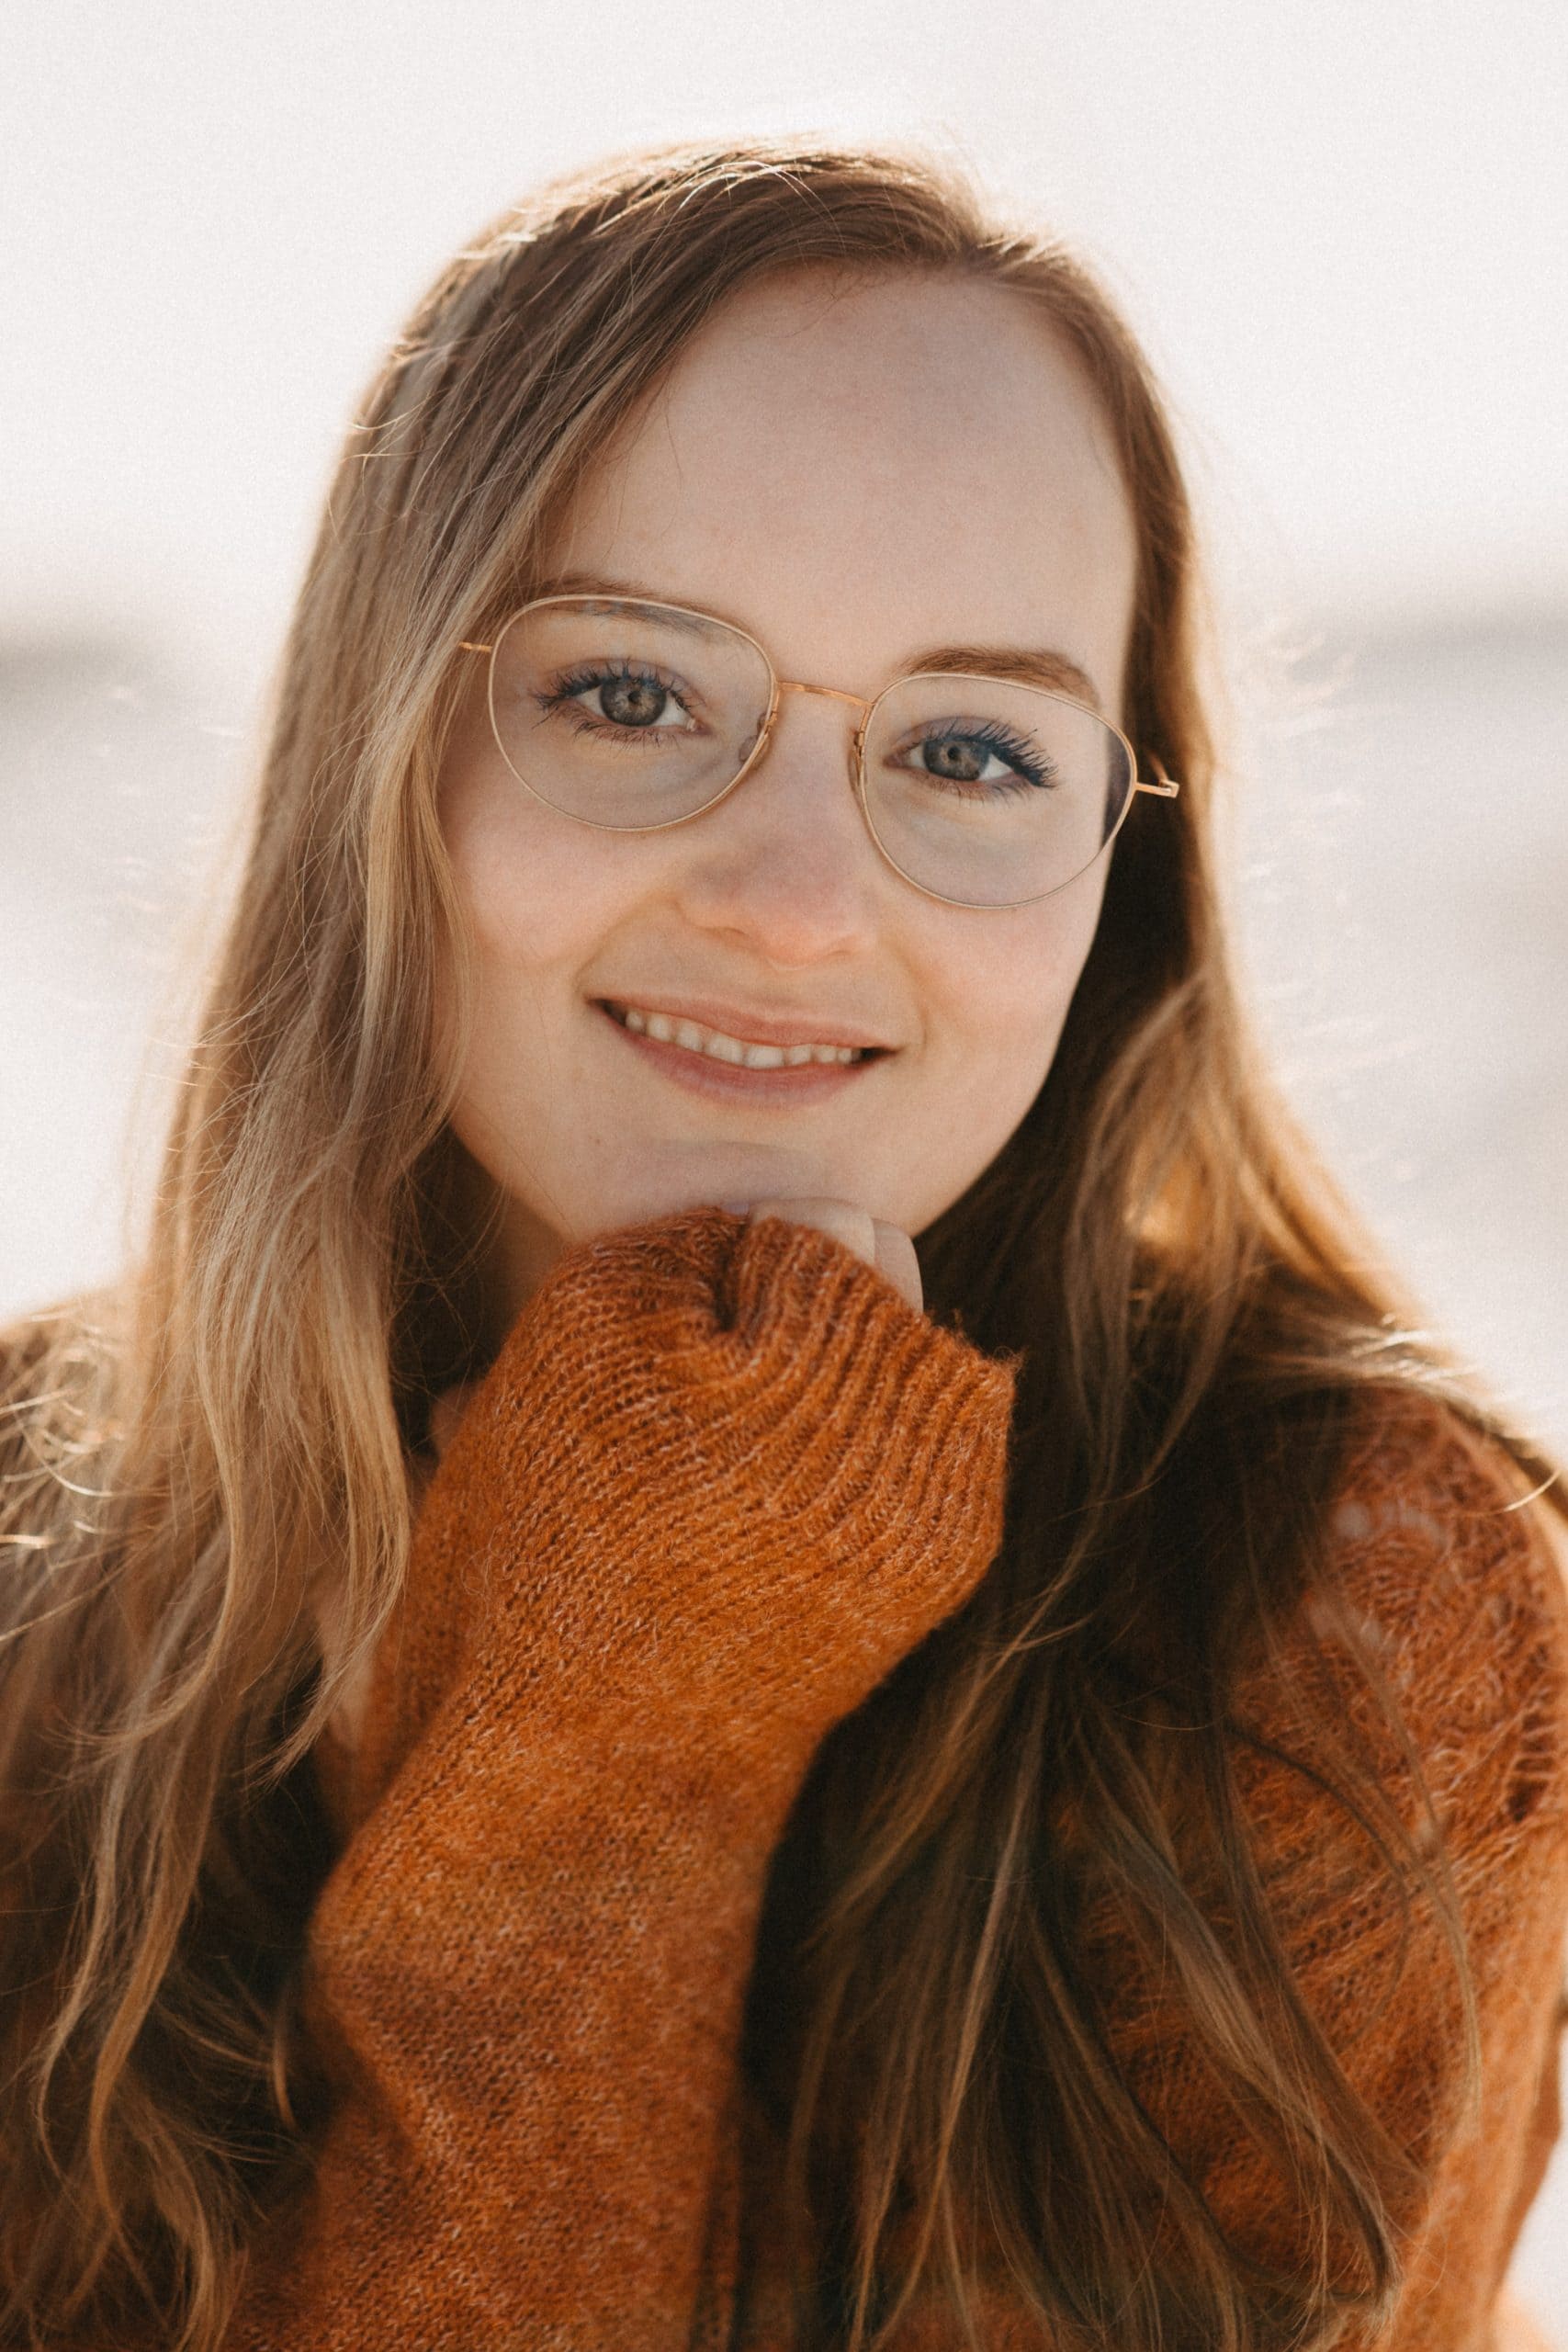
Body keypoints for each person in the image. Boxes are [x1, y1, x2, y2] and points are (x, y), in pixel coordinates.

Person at [1, 139, 1564, 2352]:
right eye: (633, 694)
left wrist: (621, 1730)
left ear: (1120, 861)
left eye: (965, 746)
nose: (799, 898)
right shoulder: (39, 1541)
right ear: (390, 751)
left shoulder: (1345, 1583)